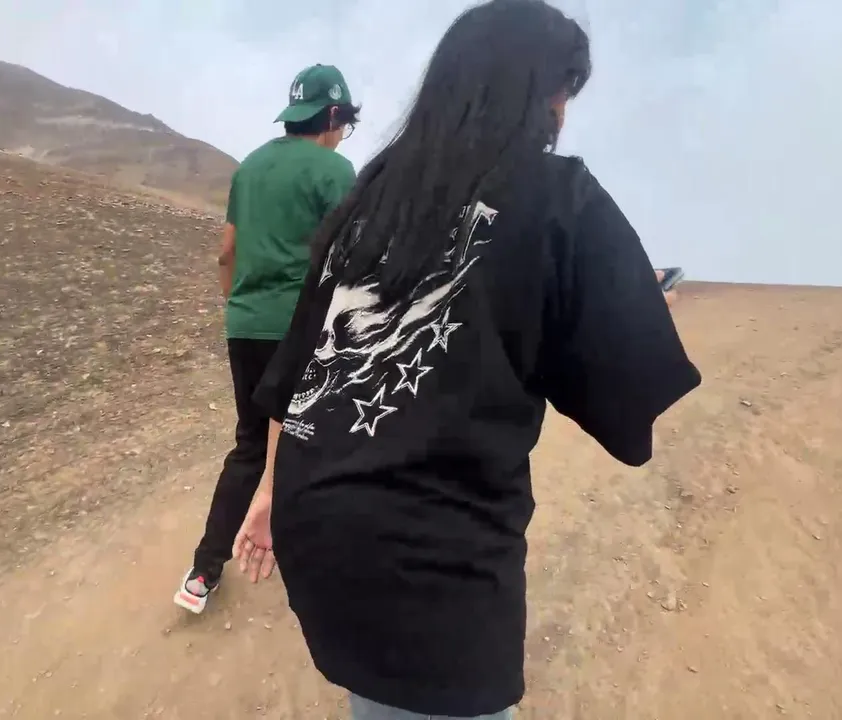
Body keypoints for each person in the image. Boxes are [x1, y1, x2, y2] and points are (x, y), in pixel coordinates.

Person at [230, 1, 701, 718]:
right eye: (562, 94)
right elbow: (628, 398)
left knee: (380, 698)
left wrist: (269, 491)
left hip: (318, 528)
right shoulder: (559, 196)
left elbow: (297, 376)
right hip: (433, 565)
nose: (562, 116)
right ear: (540, 94)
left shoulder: (370, 198)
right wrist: (631, 302)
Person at [174, 64, 361, 614]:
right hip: (301, 332)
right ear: (332, 115)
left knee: (252, 445)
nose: (342, 134)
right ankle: (321, 561)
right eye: (344, 123)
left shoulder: (250, 167)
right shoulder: (335, 171)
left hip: (246, 325)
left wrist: (238, 306)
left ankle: (203, 571)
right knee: (324, 438)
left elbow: (225, 253)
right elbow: (351, 259)